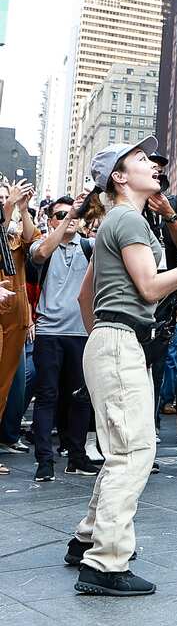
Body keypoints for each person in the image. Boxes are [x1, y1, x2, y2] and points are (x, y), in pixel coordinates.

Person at [68, 137, 177, 597]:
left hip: (111, 340)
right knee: (133, 453)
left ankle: (87, 541)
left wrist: (102, 336)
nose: (152, 164)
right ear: (119, 177)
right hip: (120, 342)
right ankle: (105, 563)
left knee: (122, 448)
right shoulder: (127, 219)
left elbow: (87, 295)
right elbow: (150, 289)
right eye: (140, 160)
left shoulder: (117, 222)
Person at [27, 195, 99, 481]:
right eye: (59, 215)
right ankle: (45, 460)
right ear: (50, 220)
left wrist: (94, 205)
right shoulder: (41, 244)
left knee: (81, 398)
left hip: (81, 332)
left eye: (72, 214)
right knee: (47, 396)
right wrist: (69, 220)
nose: (67, 218)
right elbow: (41, 253)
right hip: (49, 332)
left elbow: (112, 241)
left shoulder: (88, 245)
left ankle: (77, 456)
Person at [0, 178, 37, 442]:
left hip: (16, 313)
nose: (5, 199)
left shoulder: (14, 230)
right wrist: (10, 205)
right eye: (2, 197)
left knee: (6, 383)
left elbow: (31, 241)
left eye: (6, 196)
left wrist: (23, 209)